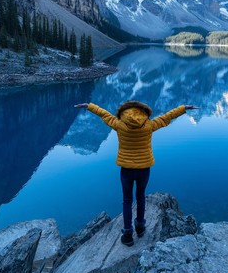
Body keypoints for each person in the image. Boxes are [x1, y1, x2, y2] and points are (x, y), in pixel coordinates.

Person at [74, 100, 198, 246]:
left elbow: (104, 114)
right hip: (144, 169)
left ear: (124, 112)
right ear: (143, 112)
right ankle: (140, 227)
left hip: (126, 169)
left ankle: (127, 234)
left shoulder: (119, 124)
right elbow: (167, 117)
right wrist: (183, 108)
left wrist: (89, 106)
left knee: (127, 200)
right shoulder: (149, 125)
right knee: (140, 197)